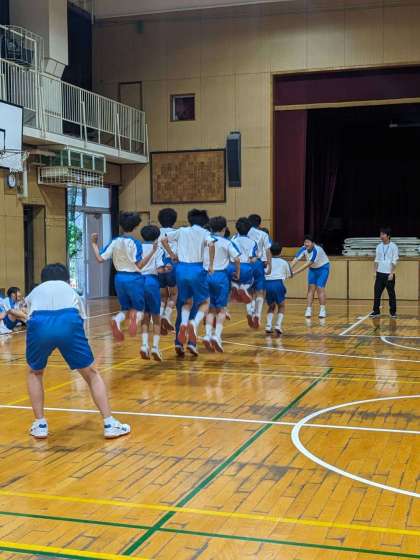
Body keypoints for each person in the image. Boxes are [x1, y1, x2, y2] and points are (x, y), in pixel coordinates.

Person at [25, 263, 130, 440]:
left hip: (39, 323)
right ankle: (109, 423)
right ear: (66, 279)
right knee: (91, 374)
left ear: (43, 280)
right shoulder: (71, 291)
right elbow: (81, 319)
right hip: (69, 321)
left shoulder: (35, 291)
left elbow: (28, 317)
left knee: (35, 372)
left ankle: (40, 424)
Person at [91, 211, 157, 341]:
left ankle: (116, 320)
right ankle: (134, 319)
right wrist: (152, 252)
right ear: (136, 227)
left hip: (119, 278)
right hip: (134, 278)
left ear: (121, 226)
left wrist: (94, 243)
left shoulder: (114, 241)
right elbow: (139, 265)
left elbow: (100, 259)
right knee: (140, 309)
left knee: (125, 308)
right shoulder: (136, 243)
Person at [161, 209, 215, 355]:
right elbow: (211, 245)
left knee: (184, 304)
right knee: (203, 302)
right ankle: (193, 332)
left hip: (181, 269)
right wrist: (211, 265)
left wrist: (172, 255)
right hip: (196, 269)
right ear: (205, 221)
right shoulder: (205, 233)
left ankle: (179, 342)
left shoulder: (181, 230)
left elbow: (163, 239)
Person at [203, 216, 240, 352]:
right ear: (224, 229)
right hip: (221, 276)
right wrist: (237, 273)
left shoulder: (205, 240)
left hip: (206, 275)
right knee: (222, 309)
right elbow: (237, 259)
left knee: (210, 309)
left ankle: (207, 335)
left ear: (211, 228)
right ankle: (217, 335)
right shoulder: (227, 242)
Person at [140, 225, 166, 361]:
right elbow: (160, 269)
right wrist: (167, 268)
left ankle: (144, 345)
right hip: (151, 282)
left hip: (138, 282)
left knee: (145, 316)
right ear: (157, 236)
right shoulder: (158, 249)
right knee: (156, 317)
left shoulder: (137, 248)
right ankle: (155, 347)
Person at [291, 235, 330, 318]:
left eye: (308, 242)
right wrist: (288, 270)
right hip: (313, 269)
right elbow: (295, 260)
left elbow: (307, 264)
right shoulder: (303, 249)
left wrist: (295, 273)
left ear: (313, 243)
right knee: (310, 289)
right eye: (305, 242)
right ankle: (308, 309)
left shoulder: (317, 250)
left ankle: (322, 310)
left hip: (323, 268)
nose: (306, 244)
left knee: (319, 288)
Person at [247, 214, 272, 329]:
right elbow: (267, 250)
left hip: (246, 264)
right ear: (260, 224)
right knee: (260, 291)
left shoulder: (242, 233)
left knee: (249, 290)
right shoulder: (263, 234)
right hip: (258, 264)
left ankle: (250, 310)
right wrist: (269, 265)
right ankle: (257, 314)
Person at [370, 227, 399, 318]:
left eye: (383, 234)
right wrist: (375, 271)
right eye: (380, 234)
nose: (381, 236)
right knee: (377, 292)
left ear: (388, 236)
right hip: (379, 273)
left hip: (389, 274)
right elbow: (376, 260)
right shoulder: (379, 246)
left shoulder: (394, 246)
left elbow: (395, 260)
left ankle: (393, 312)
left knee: (391, 293)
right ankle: (376, 311)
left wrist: (392, 273)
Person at [157, 208, 178, 334]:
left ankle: (159, 318)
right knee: (174, 294)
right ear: (174, 220)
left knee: (162, 296)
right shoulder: (176, 233)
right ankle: (167, 315)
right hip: (171, 263)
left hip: (159, 265)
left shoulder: (155, 233)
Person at [264, 242, 292, 335]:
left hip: (266, 284)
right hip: (278, 284)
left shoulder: (266, 262)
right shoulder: (284, 262)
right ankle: (278, 325)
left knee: (271, 306)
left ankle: (268, 326)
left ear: (270, 252)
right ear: (281, 252)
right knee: (281, 305)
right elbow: (290, 275)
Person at [231, 218, 258, 312]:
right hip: (246, 267)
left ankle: (236, 286)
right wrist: (256, 257)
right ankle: (250, 311)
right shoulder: (253, 242)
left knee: (233, 282)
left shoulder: (233, 241)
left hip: (234, 266)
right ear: (249, 229)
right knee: (250, 287)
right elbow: (252, 259)